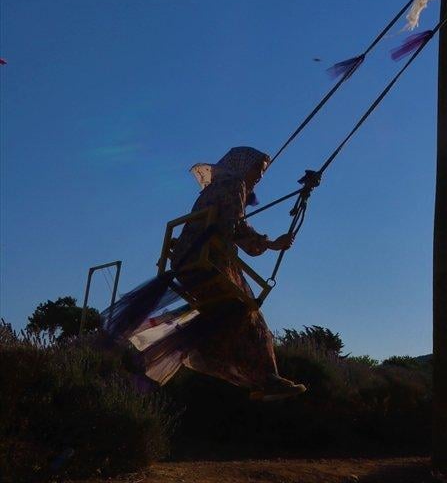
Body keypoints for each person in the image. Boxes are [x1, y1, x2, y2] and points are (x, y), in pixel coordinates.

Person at [104, 146, 306, 401]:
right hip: (209, 259)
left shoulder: (214, 188)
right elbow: (234, 226)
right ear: (243, 165)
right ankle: (267, 378)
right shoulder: (235, 184)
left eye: (263, 172)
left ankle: (241, 371)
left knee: (226, 318)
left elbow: (224, 223)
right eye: (258, 169)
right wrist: (270, 243)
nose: (260, 176)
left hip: (189, 260)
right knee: (251, 315)